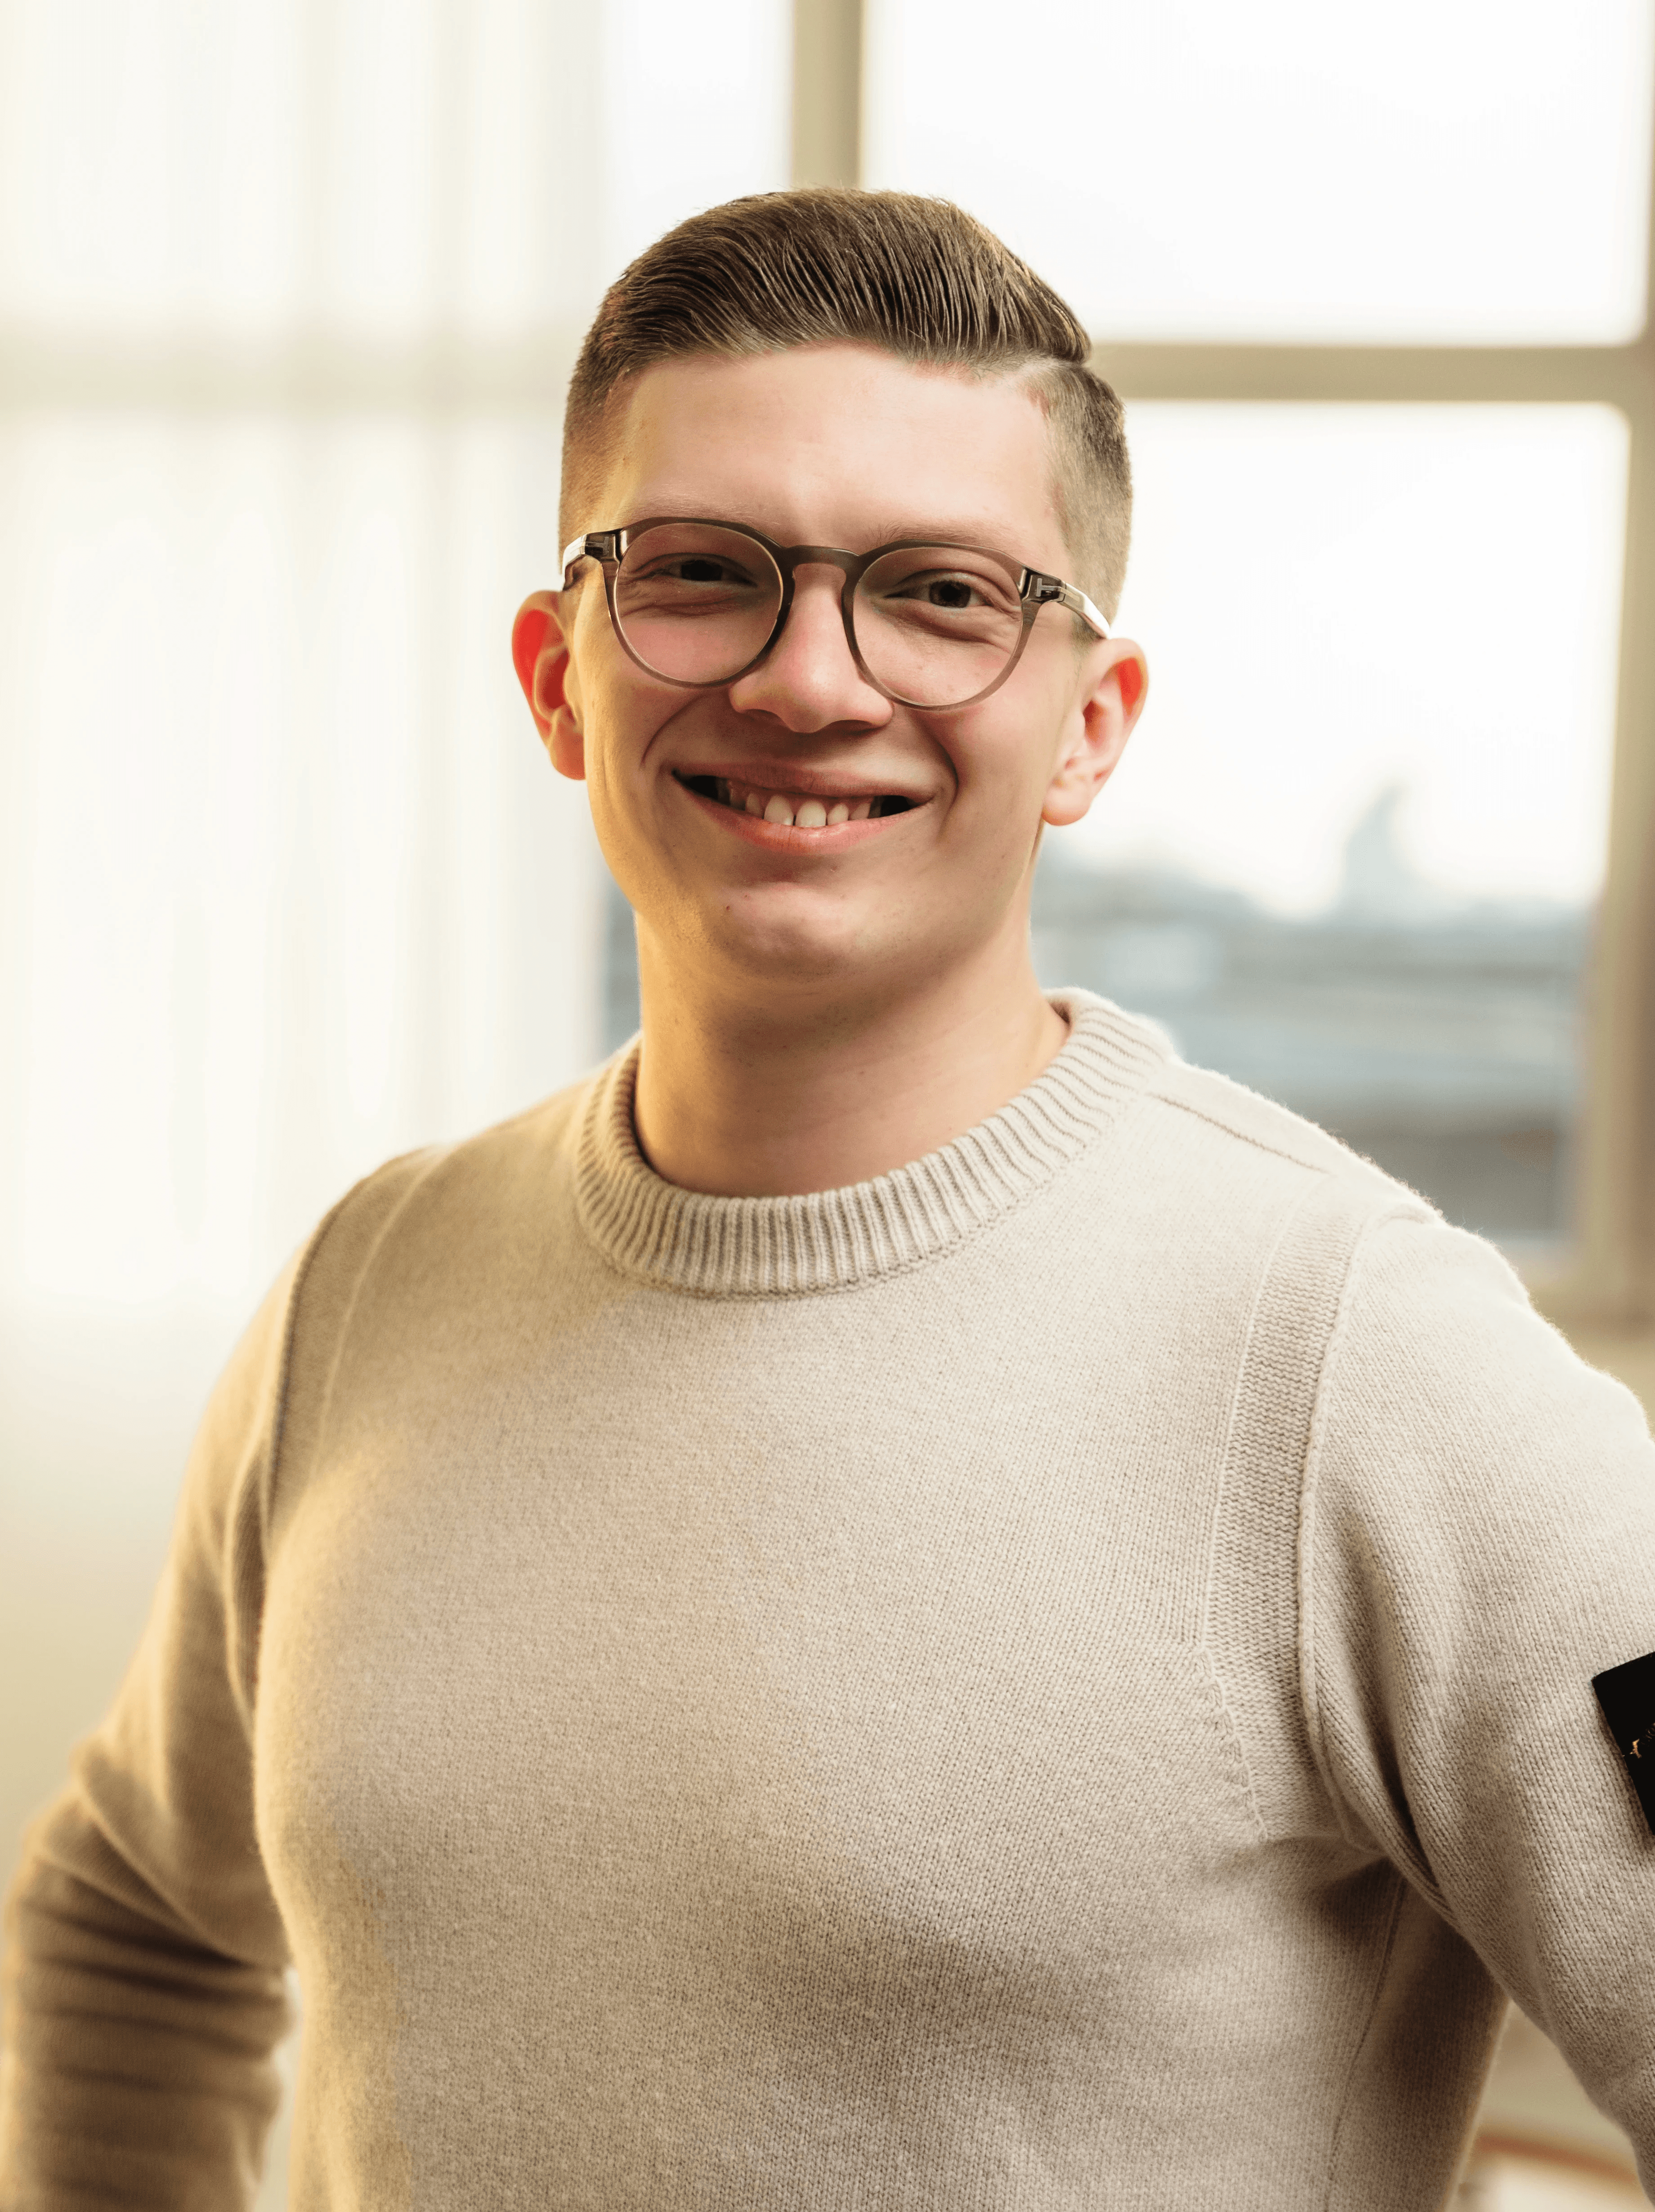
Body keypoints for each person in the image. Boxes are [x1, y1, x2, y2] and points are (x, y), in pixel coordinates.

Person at [3, 187, 1655, 2212]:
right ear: (555, 677)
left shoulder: (1353, 1359)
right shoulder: (371, 1285)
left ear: (1087, 729)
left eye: (942, 594)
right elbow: (128, 1926)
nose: (806, 681)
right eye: (701, 574)